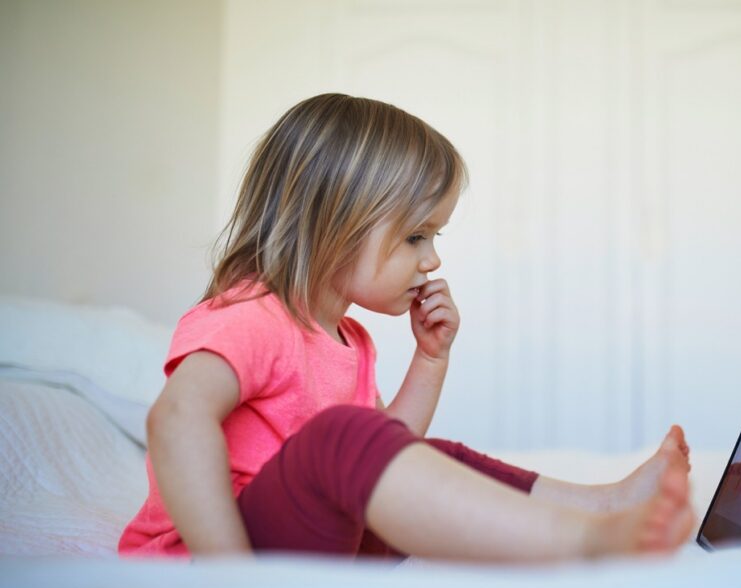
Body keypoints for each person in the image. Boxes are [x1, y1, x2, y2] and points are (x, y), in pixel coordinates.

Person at [118, 93, 695, 563]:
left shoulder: (350, 339)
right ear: (333, 223)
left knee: (424, 454)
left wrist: (430, 359)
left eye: (434, 237)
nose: (432, 260)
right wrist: (227, 577)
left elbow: (384, 452)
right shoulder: (253, 316)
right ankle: (586, 544)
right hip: (214, 556)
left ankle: (602, 505)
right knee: (341, 437)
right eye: (417, 235)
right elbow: (175, 417)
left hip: (314, 546)